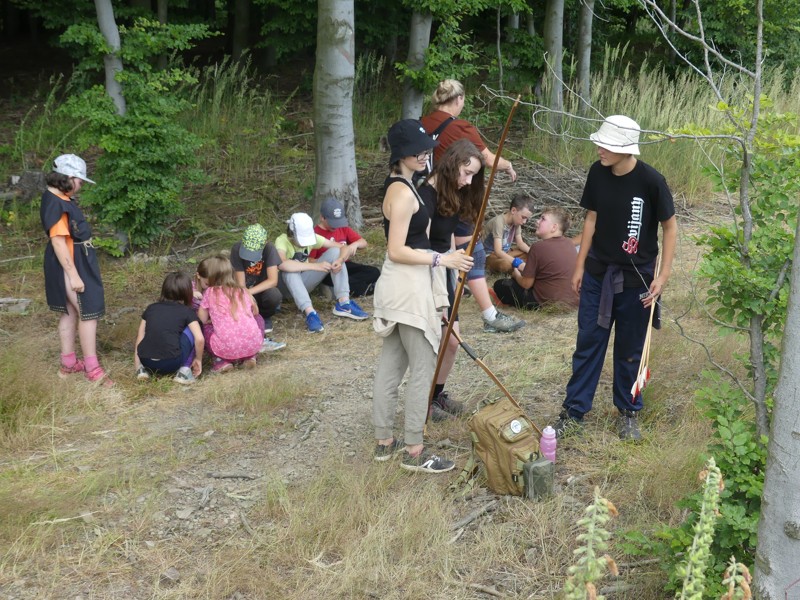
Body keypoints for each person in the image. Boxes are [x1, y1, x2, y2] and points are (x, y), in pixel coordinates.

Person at [551, 115, 677, 441]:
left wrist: (662, 276)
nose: (599, 149)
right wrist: (579, 266)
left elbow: (670, 226)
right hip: (598, 274)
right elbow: (590, 219)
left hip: (638, 280)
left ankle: (628, 411)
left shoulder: (651, 181)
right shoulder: (597, 173)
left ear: (625, 149)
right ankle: (574, 410)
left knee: (630, 349)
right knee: (589, 343)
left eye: (606, 144)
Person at [372, 119, 473, 473]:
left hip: (407, 285)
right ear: (403, 154)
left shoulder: (406, 185)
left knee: (392, 365)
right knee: (422, 368)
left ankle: (384, 443)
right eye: (420, 149)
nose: (426, 154)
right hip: (406, 287)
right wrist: (440, 258)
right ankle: (414, 450)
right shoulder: (400, 192)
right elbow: (396, 249)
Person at [421, 139, 485, 421]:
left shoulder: (454, 192)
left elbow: (447, 238)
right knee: (432, 341)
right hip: (423, 272)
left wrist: (454, 271)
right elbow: (417, 242)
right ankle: (421, 402)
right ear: (452, 163)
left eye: (474, 175)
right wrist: (443, 262)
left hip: (443, 270)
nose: (469, 181)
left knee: (452, 341)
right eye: (466, 172)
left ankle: (435, 396)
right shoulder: (425, 193)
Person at [40, 154, 112, 385]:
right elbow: (59, 242)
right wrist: (73, 276)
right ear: (68, 178)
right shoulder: (57, 203)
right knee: (88, 313)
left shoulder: (58, 196)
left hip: (72, 259)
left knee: (69, 312)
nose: (80, 186)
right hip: (71, 262)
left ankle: (69, 364)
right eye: (80, 181)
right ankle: (93, 369)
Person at [275, 212, 368, 333]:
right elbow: (282, 264)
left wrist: (340, 260)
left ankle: (344, 303)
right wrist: (314, 266)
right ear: (291, 234)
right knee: (290, 270)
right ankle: (310, 313)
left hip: (303, 283)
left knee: (335, 252)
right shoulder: (281, 241)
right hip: (285, 288)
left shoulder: (313, 238)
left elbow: (342, 247)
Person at [420, 79, 517, 182]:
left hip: (422, 184)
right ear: (459, 99)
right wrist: (508, 165)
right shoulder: (461, 128)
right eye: (463, 101)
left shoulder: (421, 122)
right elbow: (490, 161)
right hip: (444, 188)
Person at [492, 207, 579, 310]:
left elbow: (526, 284)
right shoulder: (569, 244)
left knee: (500, 285)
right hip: (572, 303)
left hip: (546, 303)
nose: (537, 221)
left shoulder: (538, 247)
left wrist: (516, 275)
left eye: (543, 219)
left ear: (554, 227)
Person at [197, 255, 265, 372]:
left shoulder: (210, 292)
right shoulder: (242, 290)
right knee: (258, 319)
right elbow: (255, 312)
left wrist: (210, 321)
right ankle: (250, 357)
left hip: (226, 348)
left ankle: (221, 361)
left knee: (205, 328)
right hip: (252, 345)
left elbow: (201, 320)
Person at [134, 272, 204, 384]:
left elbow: (140, 336)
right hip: (172, 362)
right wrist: (199, 359)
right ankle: (184, 371)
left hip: (146, 360)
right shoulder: (187, 311)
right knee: (196, 326)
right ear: (187, 292)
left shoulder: (151, 308)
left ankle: (142, 370)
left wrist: (138, 365)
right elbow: (199, 339)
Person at [229, 224, 286, 352]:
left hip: (260, 291)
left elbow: (273, 281)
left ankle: (265, 316)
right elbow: (240, 283)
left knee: (274, 295)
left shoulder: (269, 249)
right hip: (243, 291)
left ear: (264, 243)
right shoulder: (236, 249)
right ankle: (250, 322)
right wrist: (245, 294)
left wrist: (249, 292)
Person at [311, 196, 380, 297]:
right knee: (352, 283)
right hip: (329, 271)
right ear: (322, 218)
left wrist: (355, 244)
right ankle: (367, 288)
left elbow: (363, 242)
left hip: (345, 264)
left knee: (374, 272)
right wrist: (326, 265)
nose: (335, 226)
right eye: (332, 222)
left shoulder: (342, 228)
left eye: (337, 222)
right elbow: (311, 260)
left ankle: (363, 287)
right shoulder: (315, 234)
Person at [484, 195, 533, 274]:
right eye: (523, 217)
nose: (524, 222)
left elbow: (520, 243)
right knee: (505, 265)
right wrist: (517, 262)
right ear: (513, 210)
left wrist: (533, 253)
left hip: (506, 253)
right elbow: (498, 251)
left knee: (530, 253)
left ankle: (524, 265)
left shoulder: (516, 223)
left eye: (526, 219)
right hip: (490, 256)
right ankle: (522, 267)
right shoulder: (499, 222)